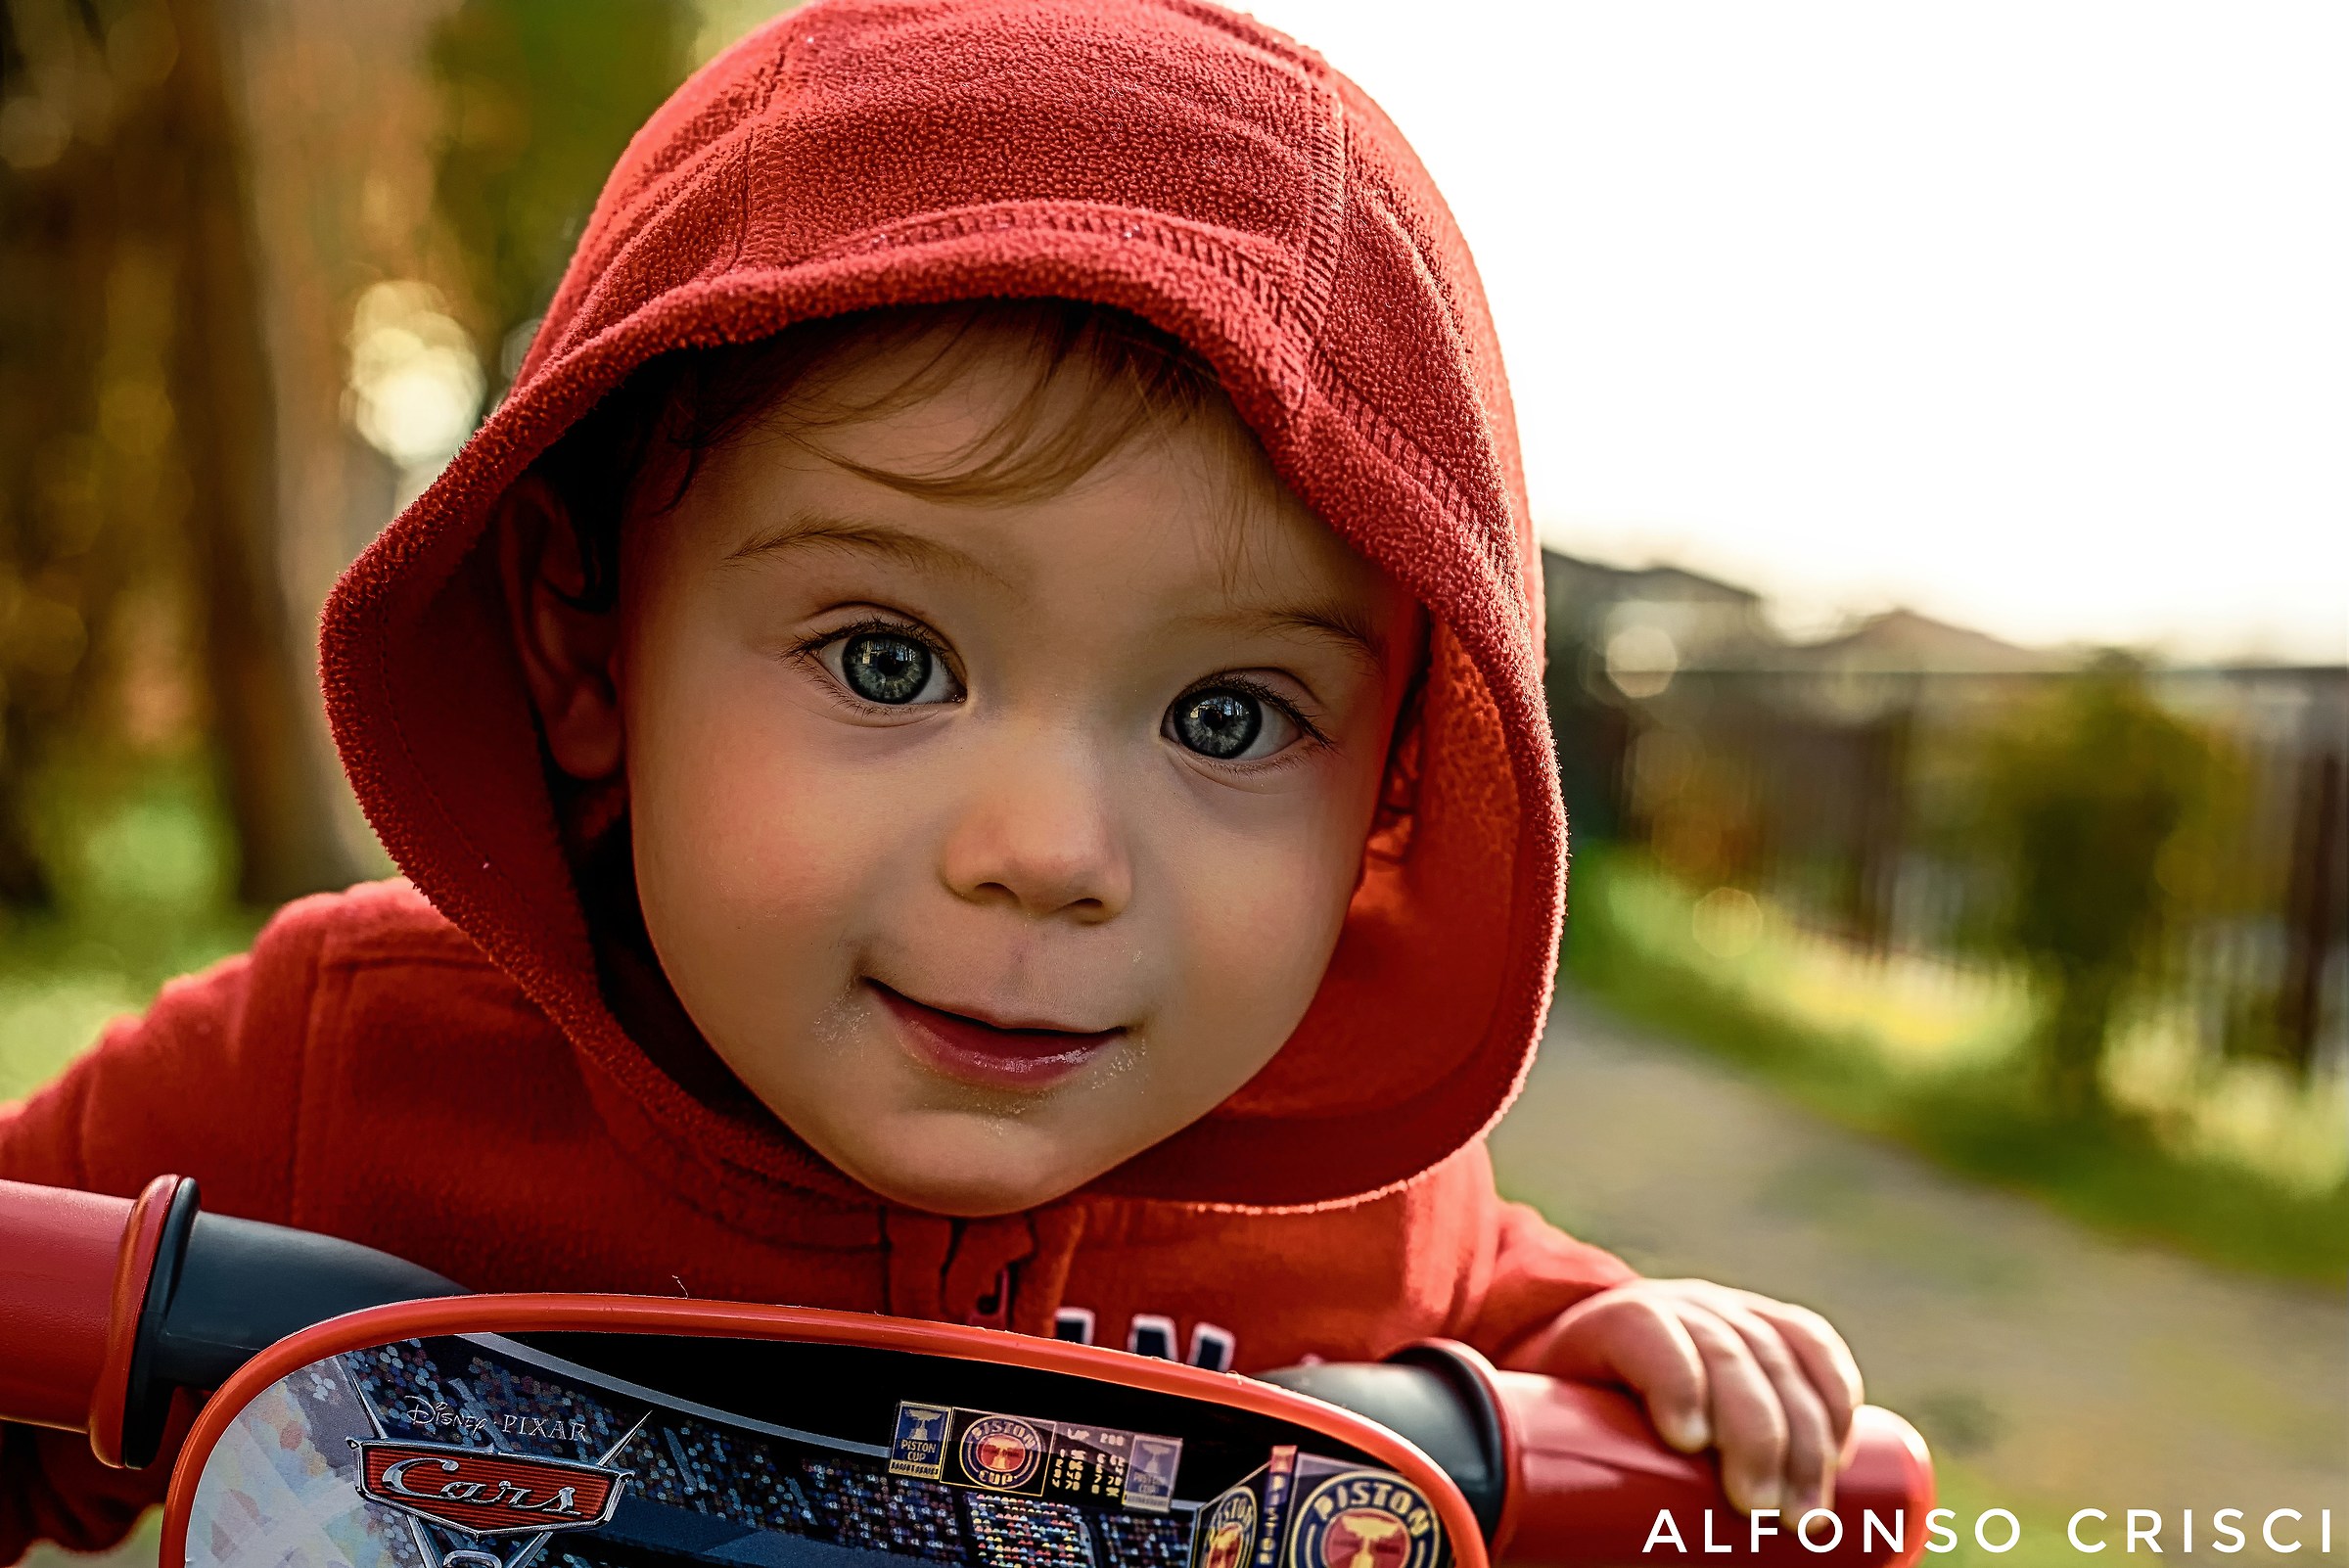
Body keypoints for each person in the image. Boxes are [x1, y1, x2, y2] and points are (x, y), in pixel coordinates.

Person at [0, 0, 1865, 1555]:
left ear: (1390, 779)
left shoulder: (1365, 1224)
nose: (1047, 853)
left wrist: (1615, 1351)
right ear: (590, 650)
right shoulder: (322, 1083)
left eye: (1228, 717)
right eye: (888, 661)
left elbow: (1520, 1326)